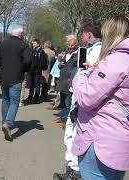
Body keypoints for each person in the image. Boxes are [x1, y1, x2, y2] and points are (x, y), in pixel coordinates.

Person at [72, 15, 129, 180]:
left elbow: (86, 98)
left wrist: (81, 75)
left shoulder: (115, 61)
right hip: (121, 139)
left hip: (100, 141)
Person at [53, 24, 102, 180]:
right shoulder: (91, 50)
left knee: (74, 134)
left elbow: (90, 76)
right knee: (71, 132)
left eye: (82, 35)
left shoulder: (98, 51)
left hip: (82, 99)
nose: (81, 38)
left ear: (88, 34)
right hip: (78, 96)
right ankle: (73, 169)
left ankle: (74, 172)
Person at [0, 27, 31, 141]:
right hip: (16, 77)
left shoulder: (2, 44)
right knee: (14, 102)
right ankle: (8, 123)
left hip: (3, 77)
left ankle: (5, 122)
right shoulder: (23, 45)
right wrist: (23, 70)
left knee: (5, 100)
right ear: (20, 35)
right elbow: (28, 61)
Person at [53, 38, 79, 129]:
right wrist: (60, 65)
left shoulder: (78, 54)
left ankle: (67, 122)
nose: (70, 47)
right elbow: (61, 64)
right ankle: (62, 118)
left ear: (76, 44)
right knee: (63, 102)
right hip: (62, 80)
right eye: (69, 45)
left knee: (68, 104)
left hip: (69, 81)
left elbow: (78, 68)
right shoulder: (66, 53)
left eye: (72, 45)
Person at [24, 39, 48, 104]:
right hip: (31, 71)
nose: (33, 44)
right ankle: (30, 96)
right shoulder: (33, 51)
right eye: (33, 43)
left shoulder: (41, 52)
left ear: (38, 44)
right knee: (31, 85)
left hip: (37, 72)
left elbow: (42, 63)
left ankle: (36, 98)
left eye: (34, 43)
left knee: (37, 85)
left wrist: (37, 69)